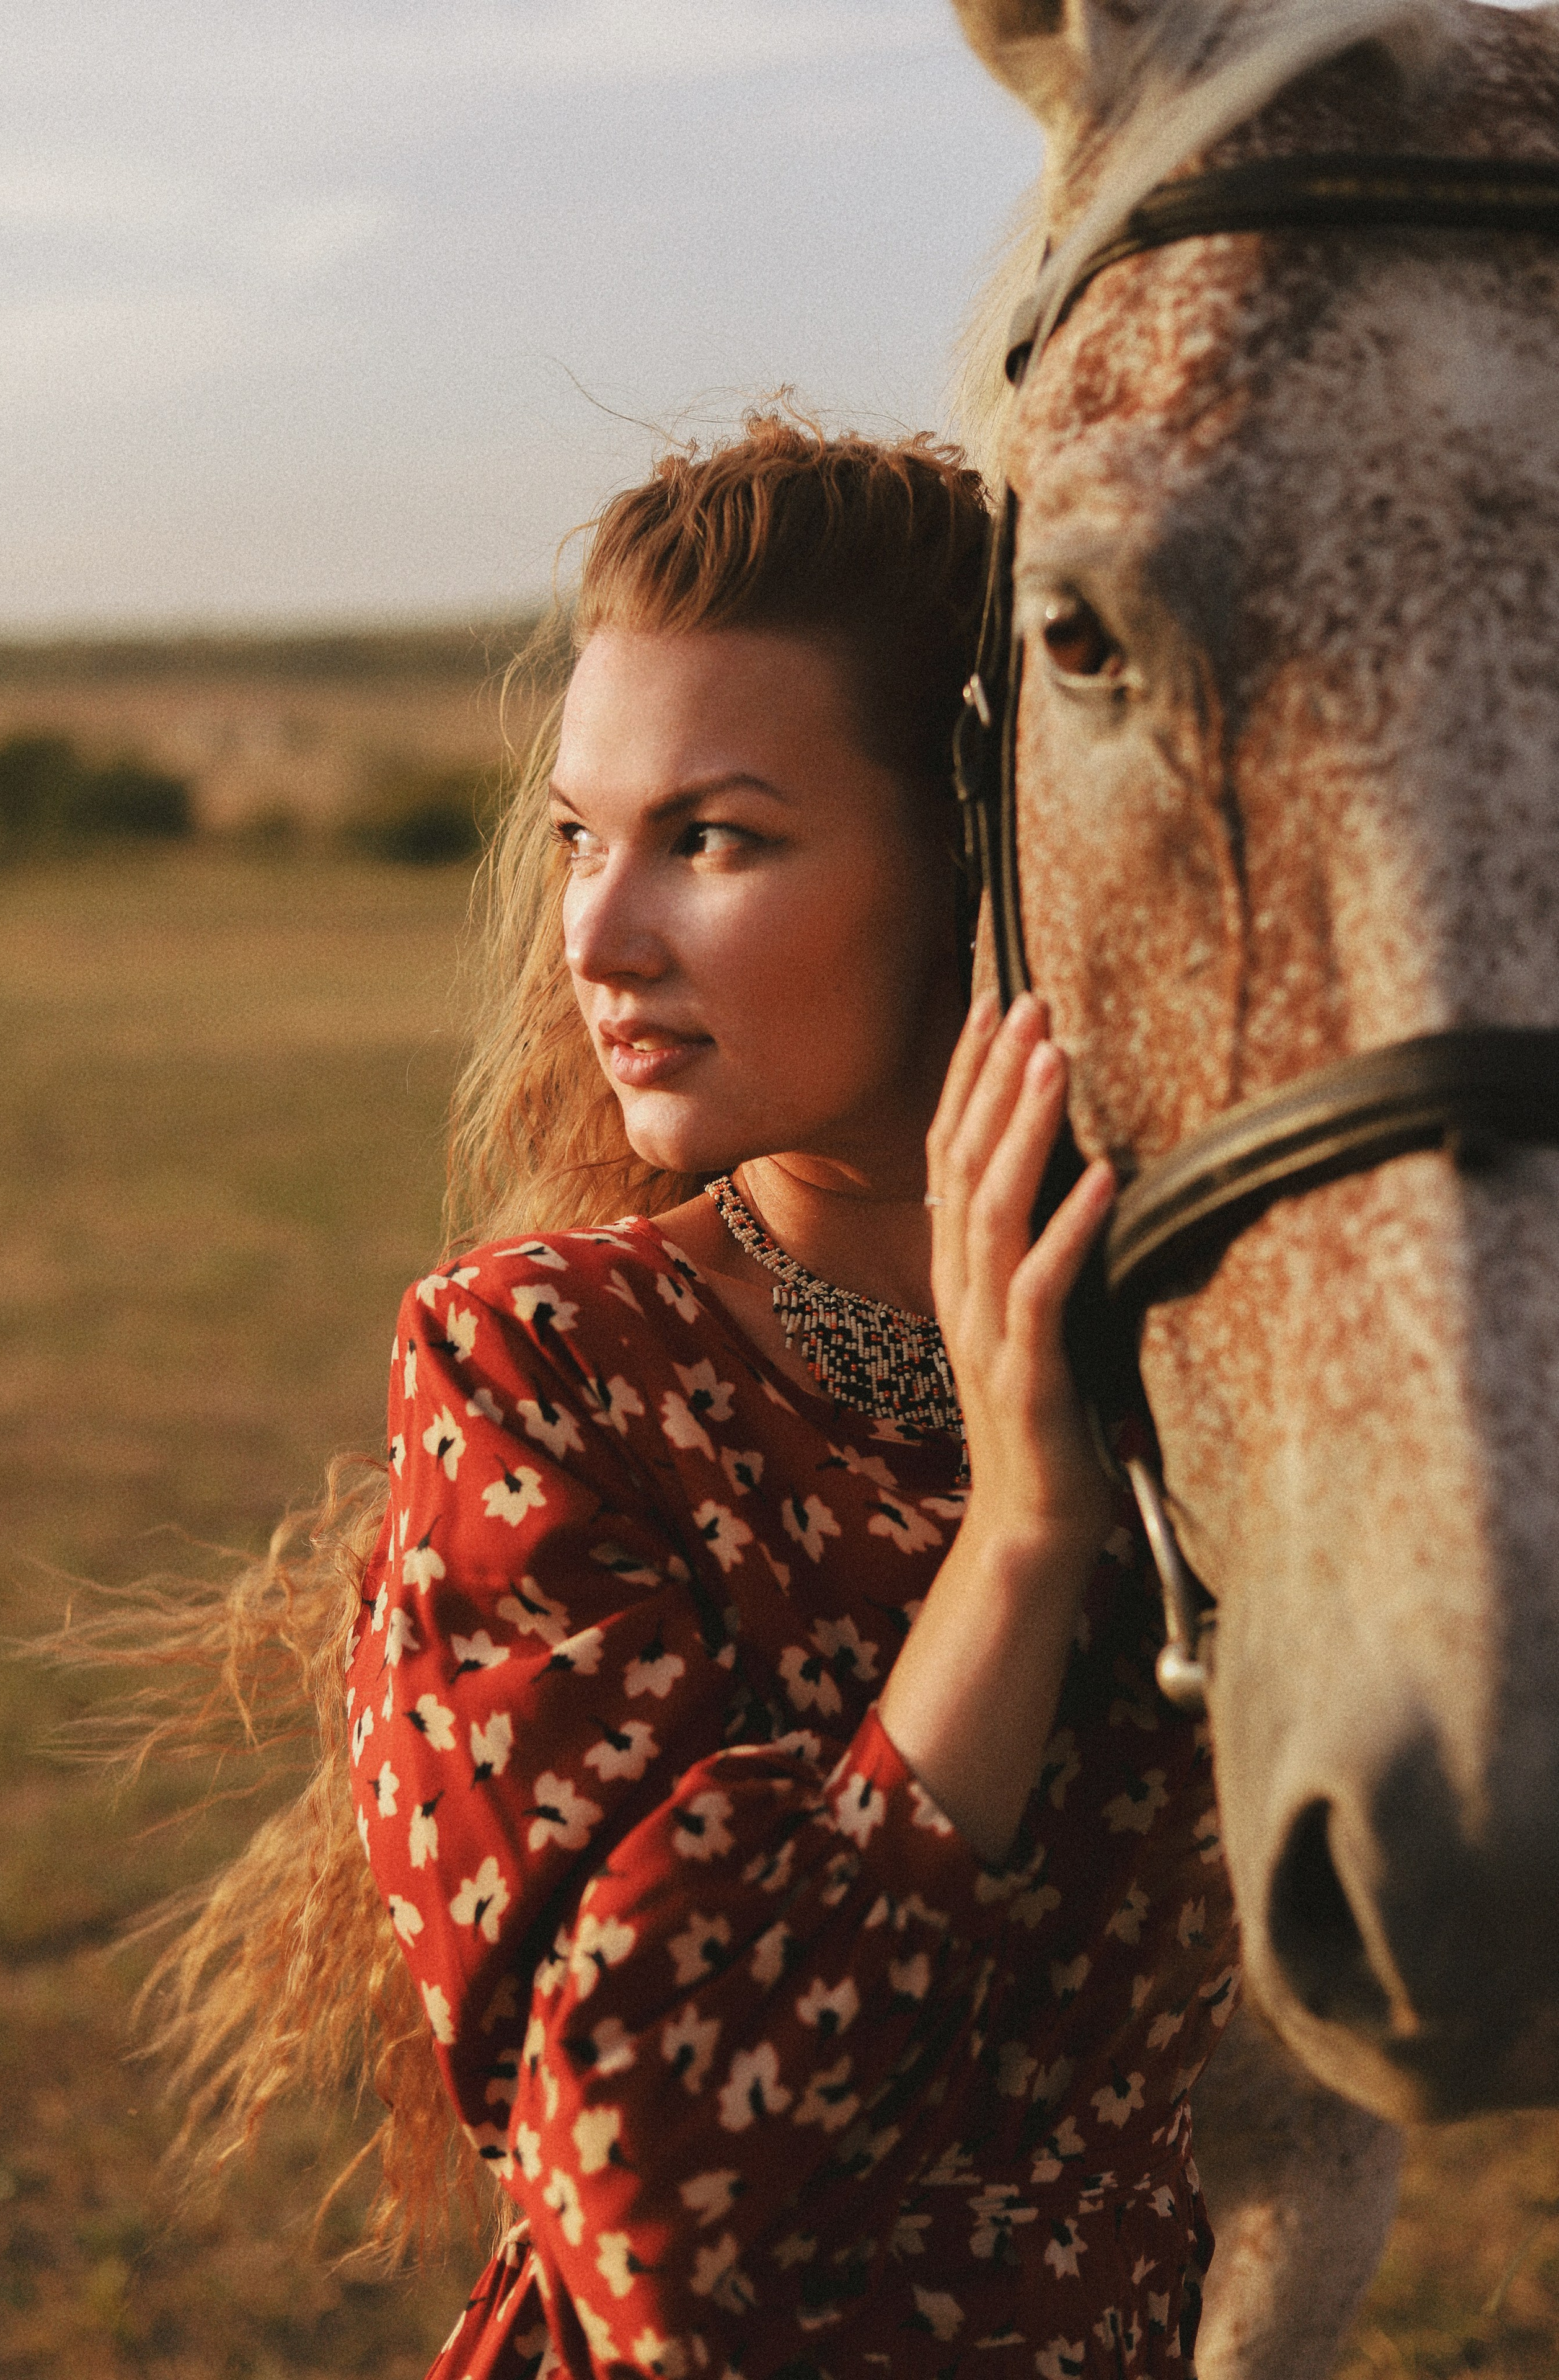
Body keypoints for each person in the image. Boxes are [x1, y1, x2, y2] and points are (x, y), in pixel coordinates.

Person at [116, 414, 1235, 2378]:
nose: (598, 935)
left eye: (710, 839)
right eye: (581, 835)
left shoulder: (1201, 1367)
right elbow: (647, 2204)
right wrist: (1021, 1539)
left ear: (988, 859)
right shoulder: (542, 1373)